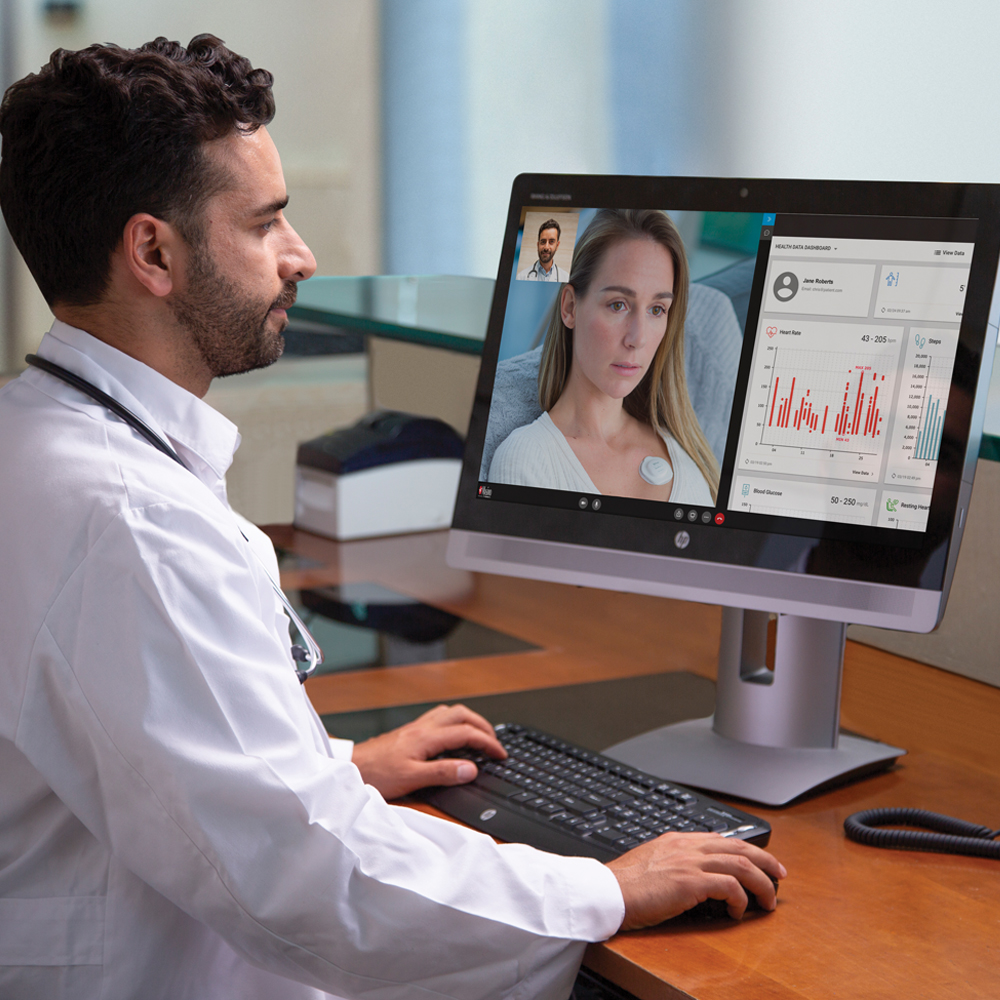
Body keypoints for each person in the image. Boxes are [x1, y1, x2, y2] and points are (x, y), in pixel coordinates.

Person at [0, 37, 784, 1000]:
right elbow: (316, 880)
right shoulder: (134, 525)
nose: (302, 256)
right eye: (266, 223)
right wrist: (604, 890)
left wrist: (338, 768)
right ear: (153, 252)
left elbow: (142, 730)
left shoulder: (34, 440)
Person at [491, 209, 719, 505]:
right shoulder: (526, 462)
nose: (637, 339)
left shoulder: (688, 463)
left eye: (657, 309)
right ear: (570, 307)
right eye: (618, 305)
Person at [517, 217, 570, 282]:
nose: (546, 247)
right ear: (538, 245)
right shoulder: (522, 276)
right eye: (543, 242)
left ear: (557, 245)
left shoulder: (566, 277)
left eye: (551, 242)